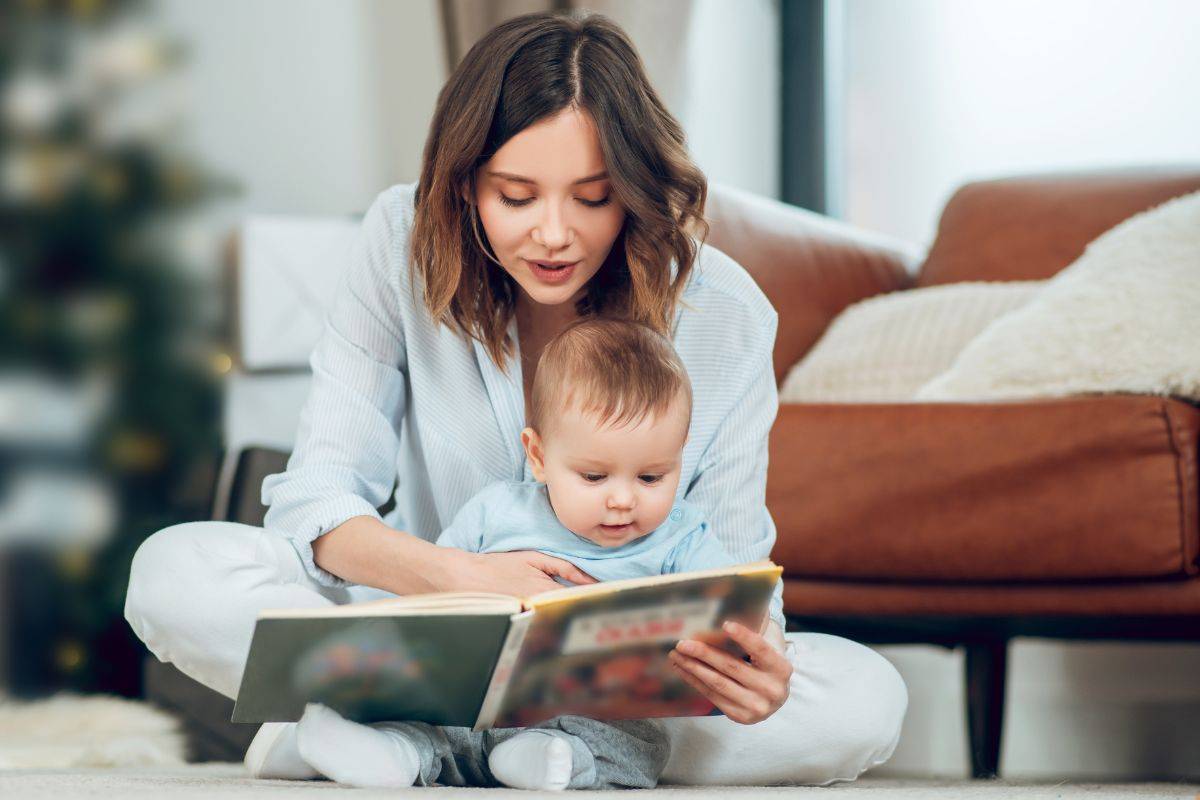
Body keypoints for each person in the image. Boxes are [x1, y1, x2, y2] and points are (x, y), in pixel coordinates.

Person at [123, 9, 907, 786]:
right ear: (466, 186)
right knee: (173, 573)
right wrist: (459, 577)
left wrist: (752, 667)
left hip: (621, 688)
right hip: (422, 626)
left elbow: (736, 575)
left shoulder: (725, 313)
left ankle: (369, 733)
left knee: (865, 701)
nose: (554, 235)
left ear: (634, 191)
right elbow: (318, 502)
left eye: (593, 198)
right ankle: (458, 738)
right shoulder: (401, 243)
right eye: (517, 196)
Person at [288, 317, 786, 790]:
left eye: (652, 477)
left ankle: (548, 759)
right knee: (420, 717)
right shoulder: (496, 512)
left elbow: (740, 604)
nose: (623, 499)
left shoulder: (683, 538)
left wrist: (760, 642)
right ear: (539, 457)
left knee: (640, 744)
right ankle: (392, 754)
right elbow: (432, 603)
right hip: (473, 699)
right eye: (594, 476)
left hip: (596, 712)